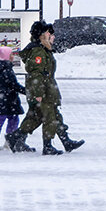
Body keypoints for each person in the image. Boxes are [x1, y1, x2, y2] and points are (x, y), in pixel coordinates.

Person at [7, 21, 82, 155]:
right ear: (42, 36)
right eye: (49, 33)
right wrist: (38, 93)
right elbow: (36, 74)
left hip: (46, 90)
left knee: (38, 117)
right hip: (43, 91)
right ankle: (48, 145)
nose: (52, 36)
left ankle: (65, 141)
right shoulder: (38, 52)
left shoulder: (43, 50)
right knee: (50, 117)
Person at [0, 44, 24, 150]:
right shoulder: (6, 69)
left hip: (5, 98)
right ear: (7, 56)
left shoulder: (3, 67)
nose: (13, 56)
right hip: (6, 99)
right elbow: (14, 85)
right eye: (11, 54)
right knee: (3, 118)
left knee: (10, 117)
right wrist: (26, 91)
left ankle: (5, 140)